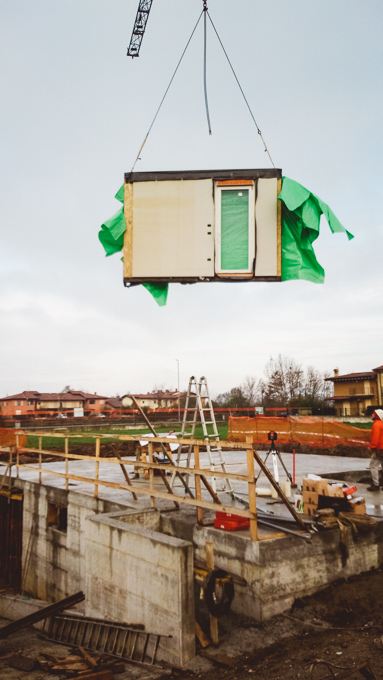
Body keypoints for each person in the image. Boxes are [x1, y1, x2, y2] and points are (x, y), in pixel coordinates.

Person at [368, 409, 383, 491]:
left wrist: (372, 447)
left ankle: (376, 485)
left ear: (376, 415)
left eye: (373, 414)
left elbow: (375, 438)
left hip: (379, 450)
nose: (372, 415)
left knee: (373, 466)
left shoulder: (376, 425)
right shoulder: (382, 424)